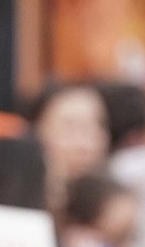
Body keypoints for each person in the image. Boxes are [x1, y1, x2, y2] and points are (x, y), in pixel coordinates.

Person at [26, 82, 112, 216]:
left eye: (97, 126)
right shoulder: (20, 205)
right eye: (70, 128)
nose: (86, 145)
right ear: (37, 130)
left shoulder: (115, 203)